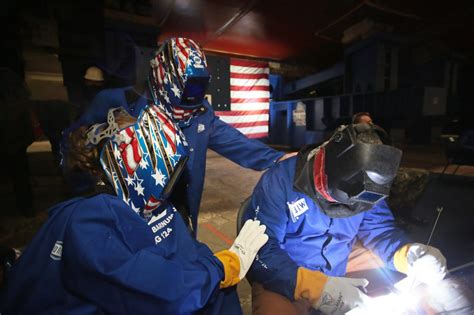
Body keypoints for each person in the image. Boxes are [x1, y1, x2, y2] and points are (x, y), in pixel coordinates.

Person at [1, 105, 269, 314]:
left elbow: (185, 254)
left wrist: (219, 264)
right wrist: (220, 268)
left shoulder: (154, 206)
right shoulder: (89, 222)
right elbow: (158, 292)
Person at [241, 123, 447, 315]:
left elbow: (380, 231)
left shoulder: (369, 186)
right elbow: (260, 249)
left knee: (402, 286)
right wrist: (311, 285)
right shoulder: (280, 180)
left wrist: (408, 254)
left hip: (339, 265)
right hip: (286, 275)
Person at [148, 37, 291, 233]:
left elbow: (233, 142)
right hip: (141, 216)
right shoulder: (128, 107)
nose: (194, 95)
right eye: (188, 86)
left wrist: (277, 159)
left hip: (185, 212)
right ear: (164, 77)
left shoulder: (201, 113)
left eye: (199, 86)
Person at [0, 67, 35, 217]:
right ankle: (26, 207)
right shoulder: (12, 78)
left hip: (11, 135)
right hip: (15, 135)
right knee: (20, 173)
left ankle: (26, 206)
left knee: (19, 172)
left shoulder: (8, 78)